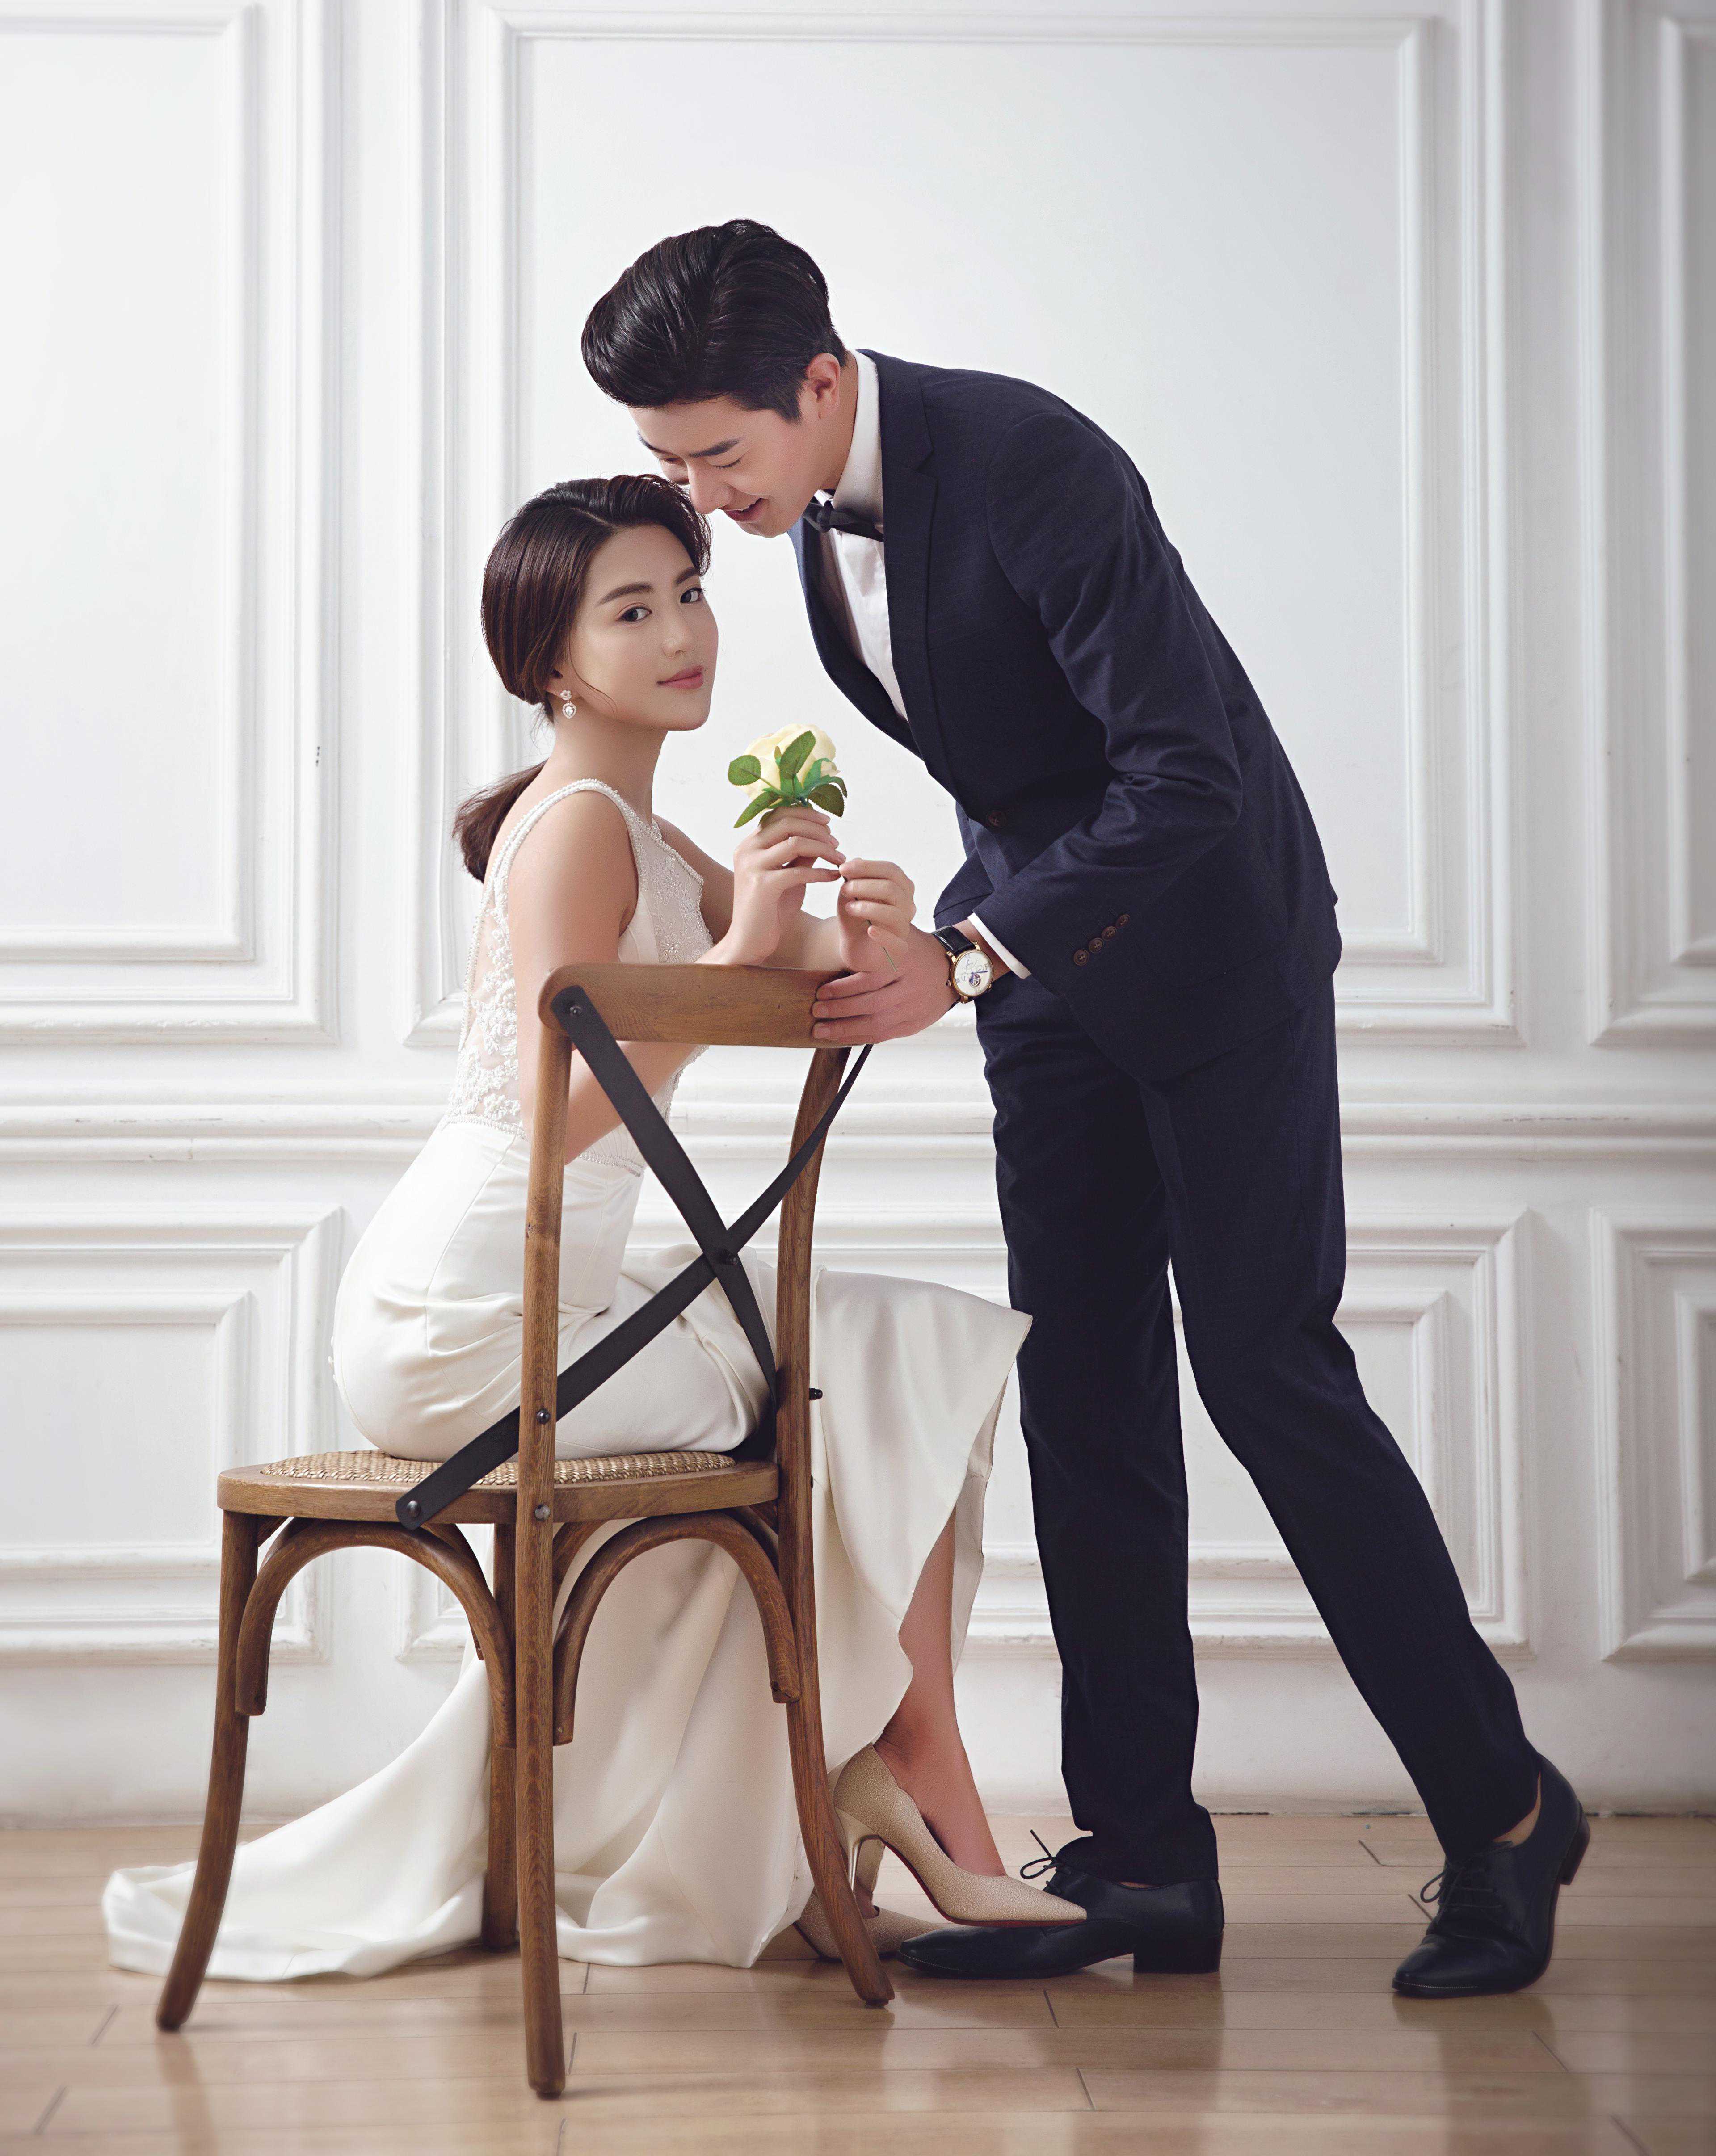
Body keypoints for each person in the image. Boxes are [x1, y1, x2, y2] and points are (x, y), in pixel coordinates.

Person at [580, 220, 1589, 2000]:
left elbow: (1186, 772)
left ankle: (1505, 1812)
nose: (702, 501)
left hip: (1214, 957)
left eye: (717, 457)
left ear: (817, 383)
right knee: (1087, 1393)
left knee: (1268, 1376)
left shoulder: (1032, 460)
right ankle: (1145, 1864)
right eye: (672, 467)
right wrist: (939, 938)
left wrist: (968, 956)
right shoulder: (812, 523)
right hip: (1048, 984)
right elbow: (1024, 771)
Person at [104, 473, 1081, 1981]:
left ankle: (877, 1778)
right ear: (551, 663)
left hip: (566, 1285)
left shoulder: (647, 832)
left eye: (688, 593)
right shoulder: (571, 831)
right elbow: (555, 1113)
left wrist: (890, 923)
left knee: (904, 1344)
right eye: (632, 610)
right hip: (474, 1313)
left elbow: (831, 977)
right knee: (857, 1383)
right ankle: (891, 1778)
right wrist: (740, 959)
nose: (682, 633)